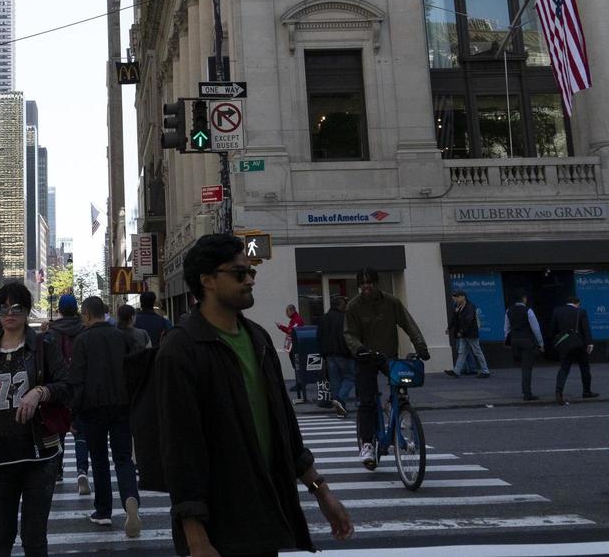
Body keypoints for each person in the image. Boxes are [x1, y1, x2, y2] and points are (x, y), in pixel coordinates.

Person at [156, 234, 352, 556]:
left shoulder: (258, 339)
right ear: (207, 281)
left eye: (251, 272)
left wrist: (321, 491)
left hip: (264, 516)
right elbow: (179, 451)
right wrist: (197, 539)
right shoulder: (181, 349)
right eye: (238, 273)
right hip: (220, 527)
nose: (249, 280)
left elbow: (286, 428)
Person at [0, 281, 73, 557]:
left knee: (34, 539)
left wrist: (40, 392)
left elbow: (67, 386)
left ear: (27, 311)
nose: (10, 313)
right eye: (3, 307)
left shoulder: (44, 347)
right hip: (0, 458)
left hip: (39, 457)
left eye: (17, 307)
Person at [68, 295, 142, 536]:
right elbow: (134, 371)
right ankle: (131, 499)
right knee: (123, 458)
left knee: (98, 459)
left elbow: (76, 380)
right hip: (121, 405)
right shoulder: (122, 336)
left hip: (92, 408)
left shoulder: (82, 340)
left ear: (87, 315)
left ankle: (103, 511)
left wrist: (74, 414)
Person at [342, 268, 430, 468]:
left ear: (376, 283)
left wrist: (421, 347)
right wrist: (360, 349)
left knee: (401, 385)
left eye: (370, 282)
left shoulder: (391, 302)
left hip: (387, 356)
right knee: (367, 401)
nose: (367, 287)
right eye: (363, 283)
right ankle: (366, 444)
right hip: (365, 357)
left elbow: (408, 324)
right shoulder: (353, 306)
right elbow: (349, 333)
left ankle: (397, 406)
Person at [47, 294, 89, 495]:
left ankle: (57, 471)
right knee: (81, 431)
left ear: (59, 310)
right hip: (81, 386)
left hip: (59, 387)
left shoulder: (51, 332)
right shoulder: (84, 330)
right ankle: (81, 471)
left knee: (59, 430)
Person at [550, 295, 597, 405]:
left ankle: (558, 392)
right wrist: (589, 343)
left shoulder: (557, 311)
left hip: (565, 344)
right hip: (579, 344)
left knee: (564, 368)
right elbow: (585, 329)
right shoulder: (581, 312)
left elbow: (553, 328)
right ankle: (586, 391)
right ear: (577, 303)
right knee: (584, 367)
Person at [504, 291, 544, 402]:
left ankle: (526, 391)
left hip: (514, 340)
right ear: (523, 299)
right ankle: (527, 393)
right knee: (526, 368)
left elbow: (506, 328)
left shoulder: (509, 311)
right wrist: (541, 343)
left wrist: (507, 341)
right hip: (526, 340)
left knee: (521, 365)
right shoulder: (528, 311)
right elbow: (536, 329)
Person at [318, 294, 354, 417]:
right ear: (341, 305)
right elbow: (348, 336)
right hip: (343, 353)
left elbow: (319, 336)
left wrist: (322, 354)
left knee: (335, 381)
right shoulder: (344, 318)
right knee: (350, 377)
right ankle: (340, 399)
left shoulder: (324, 318)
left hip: (329, 354)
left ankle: (340, 408)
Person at [444, 290, 490, 379]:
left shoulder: (470, 306)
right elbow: (455, 319)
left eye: (457, 297)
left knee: (477, 352)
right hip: (464, 334)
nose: (456, 299)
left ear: (463, 297)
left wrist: (461, 331)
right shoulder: (459, 306)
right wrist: (449, 328)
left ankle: (485, 370)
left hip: (470, 334)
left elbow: (468, 320)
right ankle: (456, 371)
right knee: (462, 352)